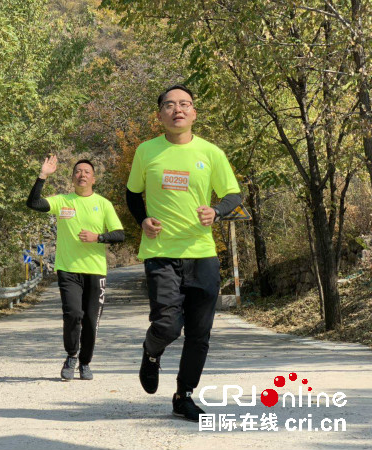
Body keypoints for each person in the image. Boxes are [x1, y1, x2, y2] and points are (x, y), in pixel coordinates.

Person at [125, 85, 241, 421]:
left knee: (199, 333)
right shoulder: (147, 152)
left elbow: (233, 194)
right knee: (167, 325)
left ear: (194, 113)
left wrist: (217, 212)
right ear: (160, 113)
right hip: (161, 252)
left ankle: (184, 395)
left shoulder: (211, 153)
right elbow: (133, 195)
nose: (178, 109)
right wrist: (142, 219)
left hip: (202, 253)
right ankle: (151, 351)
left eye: (185, 104)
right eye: (170, 105)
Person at [27, 155, 124, 381]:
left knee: (91, 320)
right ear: (72, 178)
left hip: (95, 270)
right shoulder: (62, 201)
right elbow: (33, 203)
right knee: (73, 314)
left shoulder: (103, 204)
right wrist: (42, 176)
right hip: (68, 269)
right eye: (78, 171)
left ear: (93, 178)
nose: (82, 174)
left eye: (87, 172)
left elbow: (120, 235)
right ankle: (71, 355)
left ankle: (85, 362)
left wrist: (98, 237)